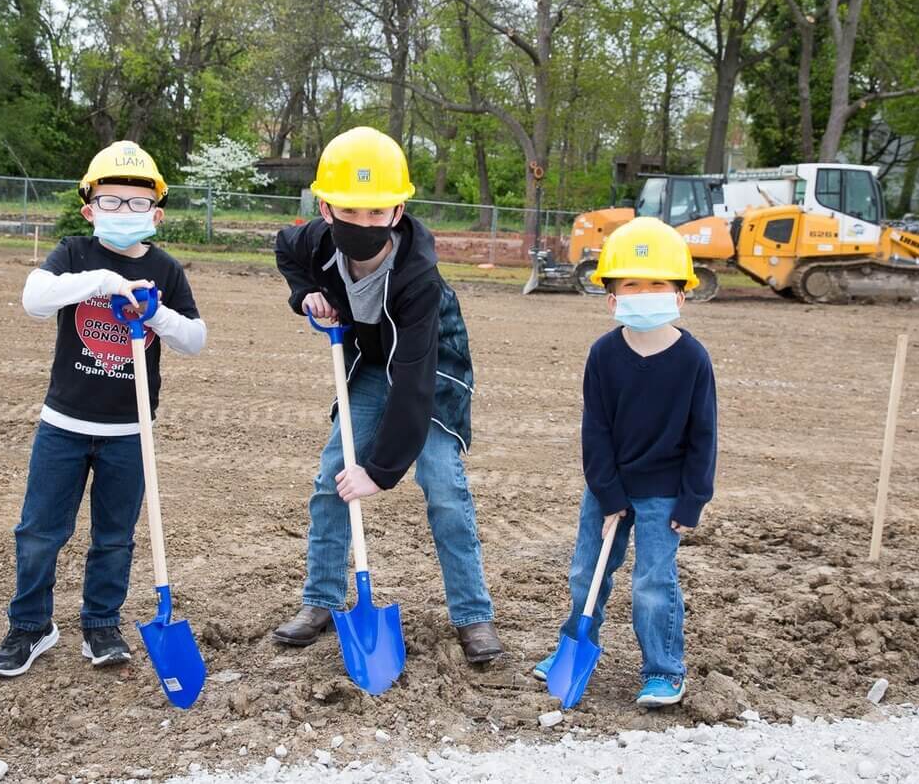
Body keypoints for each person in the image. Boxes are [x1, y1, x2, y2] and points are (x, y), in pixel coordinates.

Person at [269, 126, 502, 665]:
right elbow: (286, 249)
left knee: (443, 485)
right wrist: (307, 296)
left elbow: (414, 384)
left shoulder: (419, 276)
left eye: (378, 213)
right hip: (369, 362)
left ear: (397, 212)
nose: (365, 223)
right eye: (352, 211)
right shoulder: (316, 242)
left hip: (431, 369)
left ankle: (473, 615)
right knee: (332, 477)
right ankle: (320, 601)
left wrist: (380, 470)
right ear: (326, 208)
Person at [0, 141, 207, 677]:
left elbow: (195, 339)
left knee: (115, 535)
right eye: (111, 202)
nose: (123, 213)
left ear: (156, 212)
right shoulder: (73, 254)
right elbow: (35, 300)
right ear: (90, 209)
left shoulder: (165, 268)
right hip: (63, 423)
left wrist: (155, 316)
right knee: (39, 531)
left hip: (130, 429)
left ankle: (101, 622)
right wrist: (107, 282)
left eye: (136, 204)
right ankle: (31, 625)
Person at [532, 217, 717, 706]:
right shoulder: (604, 355)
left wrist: (693, 499)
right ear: (611, 298)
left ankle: (663, 669)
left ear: (680, 295)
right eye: (632, 284)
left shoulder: (693, 360)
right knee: (585, 573)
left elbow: (703, 436)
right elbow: (596, 431)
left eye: (658, 283)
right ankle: (574, 646)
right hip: (607, 486)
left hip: (665, 493)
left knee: (652, 583)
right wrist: (608, 493)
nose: (645, 292)